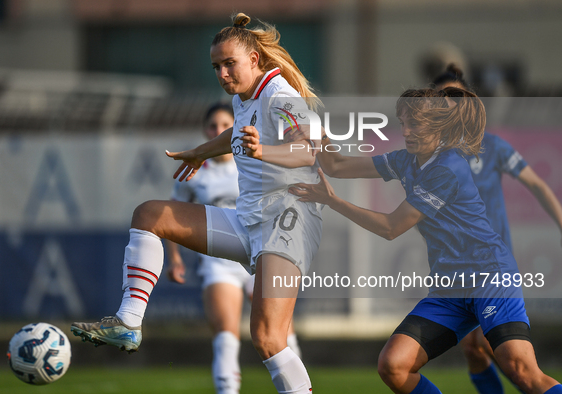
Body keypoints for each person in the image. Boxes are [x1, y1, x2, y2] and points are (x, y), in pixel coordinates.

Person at [71, 13, 321, 394]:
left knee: (268, 339)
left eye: (229, 64)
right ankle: (128, 323)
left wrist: (264, 149)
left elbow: (308, 151)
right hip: (249, 222)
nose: (222, 74)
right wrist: (201, 153)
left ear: (254, 60)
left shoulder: (279, 94)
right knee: (149, 215)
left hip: (286, 227)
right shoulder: (244, 97)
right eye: (216, 66)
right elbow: (236, 134)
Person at [290, 87, 562, 394]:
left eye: (414, 124)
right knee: (393, 365)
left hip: (490, 277)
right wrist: (319, 135)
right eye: (402, 122)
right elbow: (337, 166)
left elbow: (391, 227)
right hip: (449, 288)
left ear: (438, 127)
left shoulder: (447, 168)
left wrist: (333, 201)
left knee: (521, 371)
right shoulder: (406, 161)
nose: (405, 131)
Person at [433, 64, 562, 394]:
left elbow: (537, 185)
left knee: (506, 357)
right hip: (458, 268)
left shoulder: (492, 145)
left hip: (492, 265)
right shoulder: (432, 155)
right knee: (476, 349)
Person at [166, 102, 302, 394]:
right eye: (213, 126)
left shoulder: (255, 159)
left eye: (224, 126)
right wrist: (174, 257)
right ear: (206, 132)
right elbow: (174, 215)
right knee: (226, 339)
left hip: (260, 252)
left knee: (280, 335)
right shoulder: (198, 170)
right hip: (219, 260)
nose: (218, 130)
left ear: (235, 128)